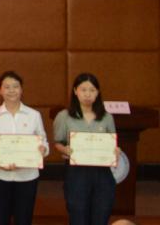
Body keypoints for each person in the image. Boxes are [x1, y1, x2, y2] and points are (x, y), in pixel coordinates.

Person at [0, 71, 49, 225]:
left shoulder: (34, 115)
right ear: (0, 90)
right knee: (0, 219)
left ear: (21, 89)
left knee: (24, 219)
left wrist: (43, 149)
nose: (11, 90)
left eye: (15, 86)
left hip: (27, 176)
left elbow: (43, 141)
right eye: (7, 87)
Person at [53, 72, 118, 225]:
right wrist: (64, 150)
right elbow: (57, 143)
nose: (88, 94)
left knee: (101, 214)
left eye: (92, 90)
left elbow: (112, 143)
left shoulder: (107, 117)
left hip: (102, 173)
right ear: (75, 91)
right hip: (77, 173)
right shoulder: (64, 116)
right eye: (83, 89)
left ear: (97, 92)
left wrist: (116, 150)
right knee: (78, 215)